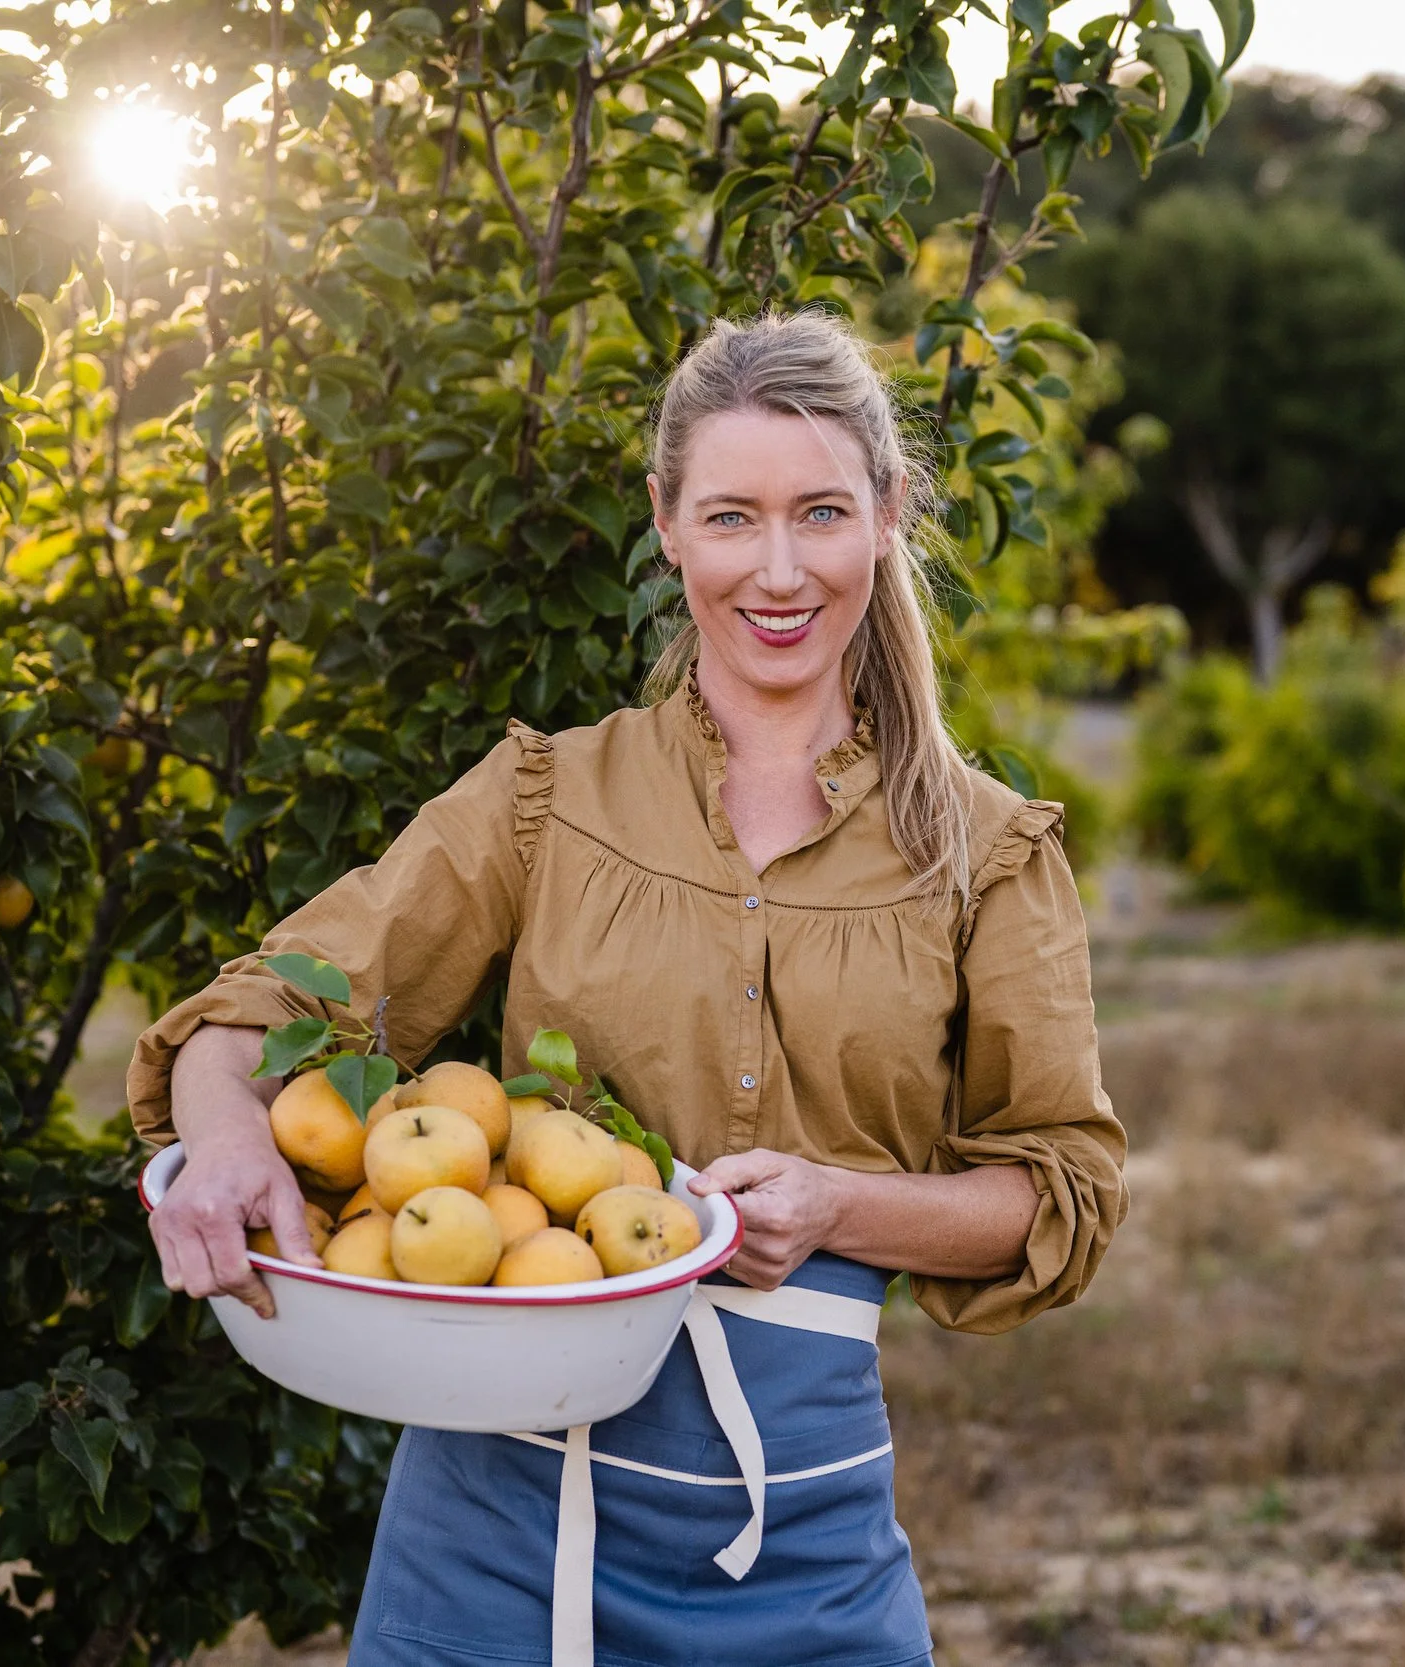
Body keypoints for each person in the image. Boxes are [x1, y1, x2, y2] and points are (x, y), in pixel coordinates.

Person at [128, 310, 1125, 1667]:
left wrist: (844, 1205)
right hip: (495, 1539)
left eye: (821, 512)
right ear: (667, 523)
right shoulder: (548, 799)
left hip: (806, 1549)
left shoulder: (984, 852)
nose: (778, 570)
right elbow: (259, 1010)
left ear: (886, 517)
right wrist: (230, 1141)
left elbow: (1056, 1191)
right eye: (731, 517)